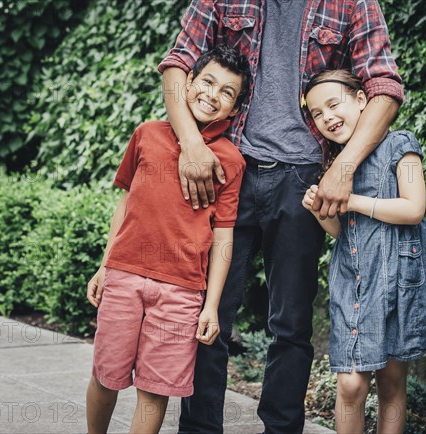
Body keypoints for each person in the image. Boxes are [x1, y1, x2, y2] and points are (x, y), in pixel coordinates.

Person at [159, 1, 403, 432]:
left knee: (291, 324)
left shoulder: (352, 3)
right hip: (226, 165)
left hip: (303, 179)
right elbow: (178, 63)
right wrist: (191, 143)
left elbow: (384, 85)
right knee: (207, 310)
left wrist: (343, 168)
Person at [84, 45, 251, 434]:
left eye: (227, 92)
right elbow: (125, 205)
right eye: (207, 81)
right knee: (106, 379)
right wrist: (104, 266)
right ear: (187, 83)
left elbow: (223, 236)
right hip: (125, 276)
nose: (213, 95)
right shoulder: (146, 135)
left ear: (234, 109)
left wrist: (211, 306)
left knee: (154, 392)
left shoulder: (231, 161)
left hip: (181, 293)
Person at [302, 69, 426, 433]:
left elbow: (414, 208)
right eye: (317, 113)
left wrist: (354, 200)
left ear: (362, 100)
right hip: (355, 282)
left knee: (391, 383)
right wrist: (320, 210)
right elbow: (339, 230)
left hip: (398, 282)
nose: (327, 117)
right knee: (350, 384)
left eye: (334, 104)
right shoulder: (332, 166)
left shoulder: (400, 145)